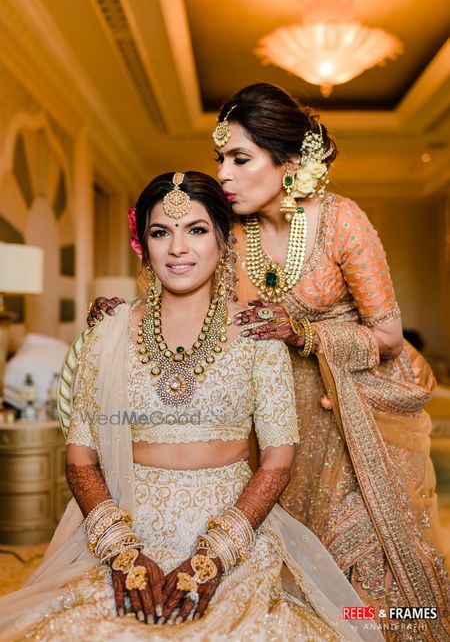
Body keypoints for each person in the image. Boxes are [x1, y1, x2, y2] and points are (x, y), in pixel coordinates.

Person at [88, 84, 449, 640]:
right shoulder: (234, 233)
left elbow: (389, 336)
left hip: (353, 412)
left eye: (240, 158)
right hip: (277, 410)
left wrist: (304, 334)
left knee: (364, 574)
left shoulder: (341, 221)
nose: (224, 175)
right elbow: (193, 297)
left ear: (290, 162)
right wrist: (123, 315)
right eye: (220, 159)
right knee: (293, 575)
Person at [0, 171, 377, 642]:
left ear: (223, 240)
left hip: (234, 536)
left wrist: (215, 554)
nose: (178, 248)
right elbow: (81, 459)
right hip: (124, 534)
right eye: (162, 232)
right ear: (144, 245)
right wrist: (122, 553)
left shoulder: (258, 337)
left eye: (196, 230)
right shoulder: (108, 333)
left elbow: (278, 459)